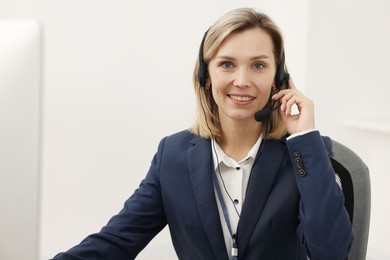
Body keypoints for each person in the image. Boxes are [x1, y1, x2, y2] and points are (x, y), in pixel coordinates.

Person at [52, 7, 353, 260]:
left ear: (279, 79)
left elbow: (331, 253)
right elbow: (115, 242)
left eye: (259, 65)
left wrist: (303, 137)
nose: (242, 80)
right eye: (226, 64)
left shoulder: (304, 154)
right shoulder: (173, 156)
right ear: (205, 76)